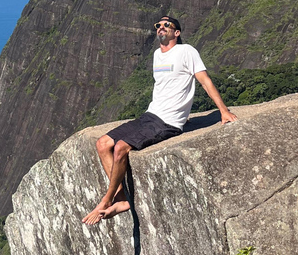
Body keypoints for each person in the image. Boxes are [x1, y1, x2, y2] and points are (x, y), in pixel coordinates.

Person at [82, 16, 238, 225]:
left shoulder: (187, 52)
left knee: (120, 147)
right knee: (102, 144)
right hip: (150, 115)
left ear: (177, 32)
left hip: (168, 123)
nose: (161, 28)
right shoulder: (157, 54)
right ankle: (121, 197)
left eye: (167, 25)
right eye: (158, 25)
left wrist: (223, 111)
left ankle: (107, 199)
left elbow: (205, 81)